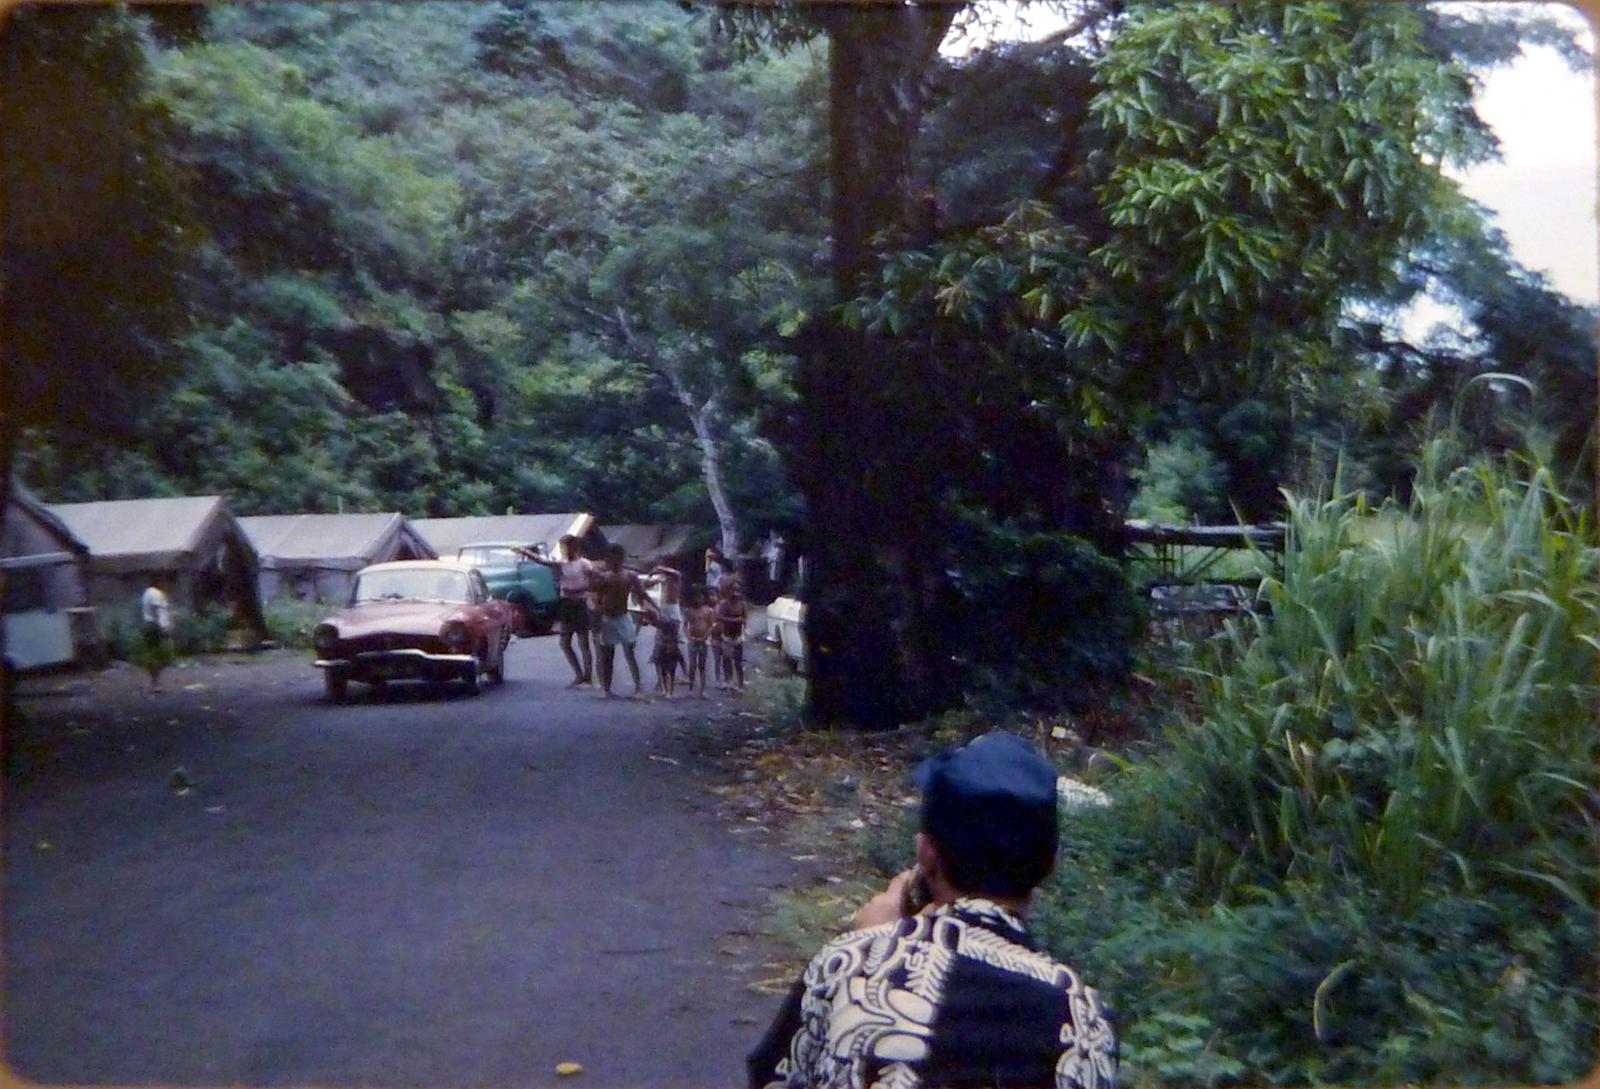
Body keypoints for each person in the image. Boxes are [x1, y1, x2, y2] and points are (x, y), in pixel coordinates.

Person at [748, 731, 1118, 1089]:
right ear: (1052, 864)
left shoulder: (847, 964)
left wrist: (870, 948)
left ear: (925, 853)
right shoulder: (1081, 1014)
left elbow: (772, 1076)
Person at [589, 544, 659, 699]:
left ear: (621, 558)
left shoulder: (630, 576)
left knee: (630, 651)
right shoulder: (604, 577)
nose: (614, 561)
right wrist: (597, 617)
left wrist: (655, 608)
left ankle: (638, 687)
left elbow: (642, 594)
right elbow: (595, 597)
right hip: (608, 617)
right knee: (608, 655)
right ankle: (607, 689)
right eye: (611, 558)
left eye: (617, 557)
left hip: (622, 616)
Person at [527, 535, 594, 687]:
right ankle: (579, 674)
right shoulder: (562, 563)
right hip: (566, 605)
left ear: (575, 548)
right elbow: (543, 562)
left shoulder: (584, 564)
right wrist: (526, 553)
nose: (565, 551)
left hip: (580, 604)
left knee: (583, 643)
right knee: (565, 642)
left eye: (567, 547)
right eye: (563, 548)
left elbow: (592, 583)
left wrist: (576, 590)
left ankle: (588, 675)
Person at [139, 577, 176, 694]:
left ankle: (154, 682)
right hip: (156, 627)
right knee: (163, 654)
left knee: (153, 654)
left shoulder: (147, 592)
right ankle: (154, 683)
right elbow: (160, 612)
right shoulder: (156, 594)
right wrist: (165, 627)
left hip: (149, 625)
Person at [715, 579, 748, 691]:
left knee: (738, 661)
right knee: (726, 658)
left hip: (738, 636)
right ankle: (727, 681)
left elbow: (745, 618)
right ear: (729, 591)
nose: (735, 593)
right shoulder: (724, 604)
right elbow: (719, 617)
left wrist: (743, 624)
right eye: (733, 590)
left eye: (737, 590)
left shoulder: (742, 604)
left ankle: (740, 684)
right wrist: (733, 620)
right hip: (727, 636)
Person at [683, 588, 716, 699]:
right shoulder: (689, 610)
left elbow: (711, 625)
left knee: (702, 666)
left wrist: (705, 636)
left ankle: (703, 690)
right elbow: (685, 625)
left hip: (703, 641)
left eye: (700, 597)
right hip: (693, 641)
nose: (698, 600)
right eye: (696, 598)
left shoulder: (708, 611)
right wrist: (689, 637)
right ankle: (691, 689)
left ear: (703, 599)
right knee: (692, 666)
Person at [649, 613, 684, 698]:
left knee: (669, 671)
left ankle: (669, 691)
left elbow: (677, 641)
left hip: (670, 653)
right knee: (667, 672)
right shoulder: (662, 633)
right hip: (665, 652)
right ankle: (668, 691)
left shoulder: (670, 633)